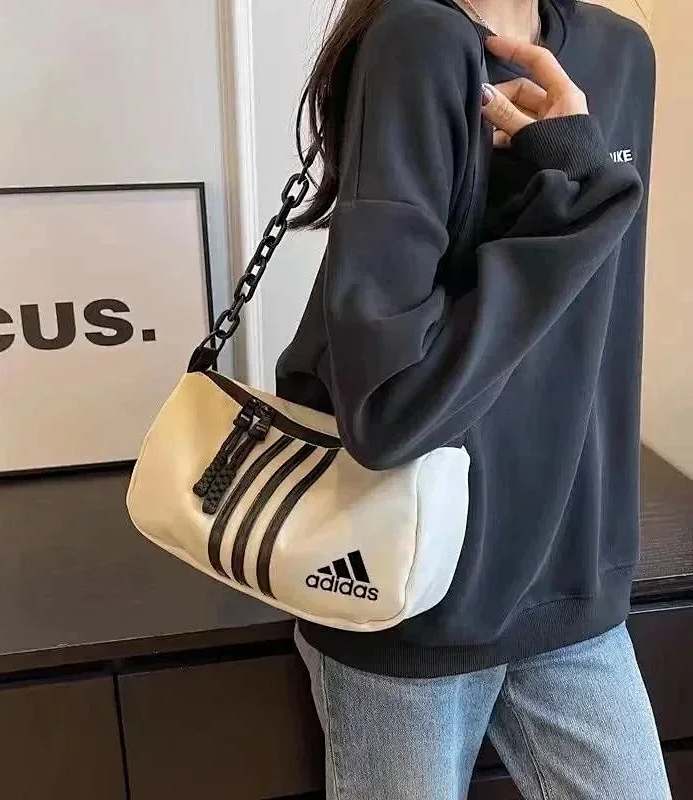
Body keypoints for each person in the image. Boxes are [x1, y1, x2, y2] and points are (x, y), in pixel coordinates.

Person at [276, 0, 670, 797]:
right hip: (412, 588)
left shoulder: (622, 51)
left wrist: (568, 182)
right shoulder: (416, 41)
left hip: (570, 580)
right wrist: (575, 195)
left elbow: (598, 327)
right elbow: (389, 410)